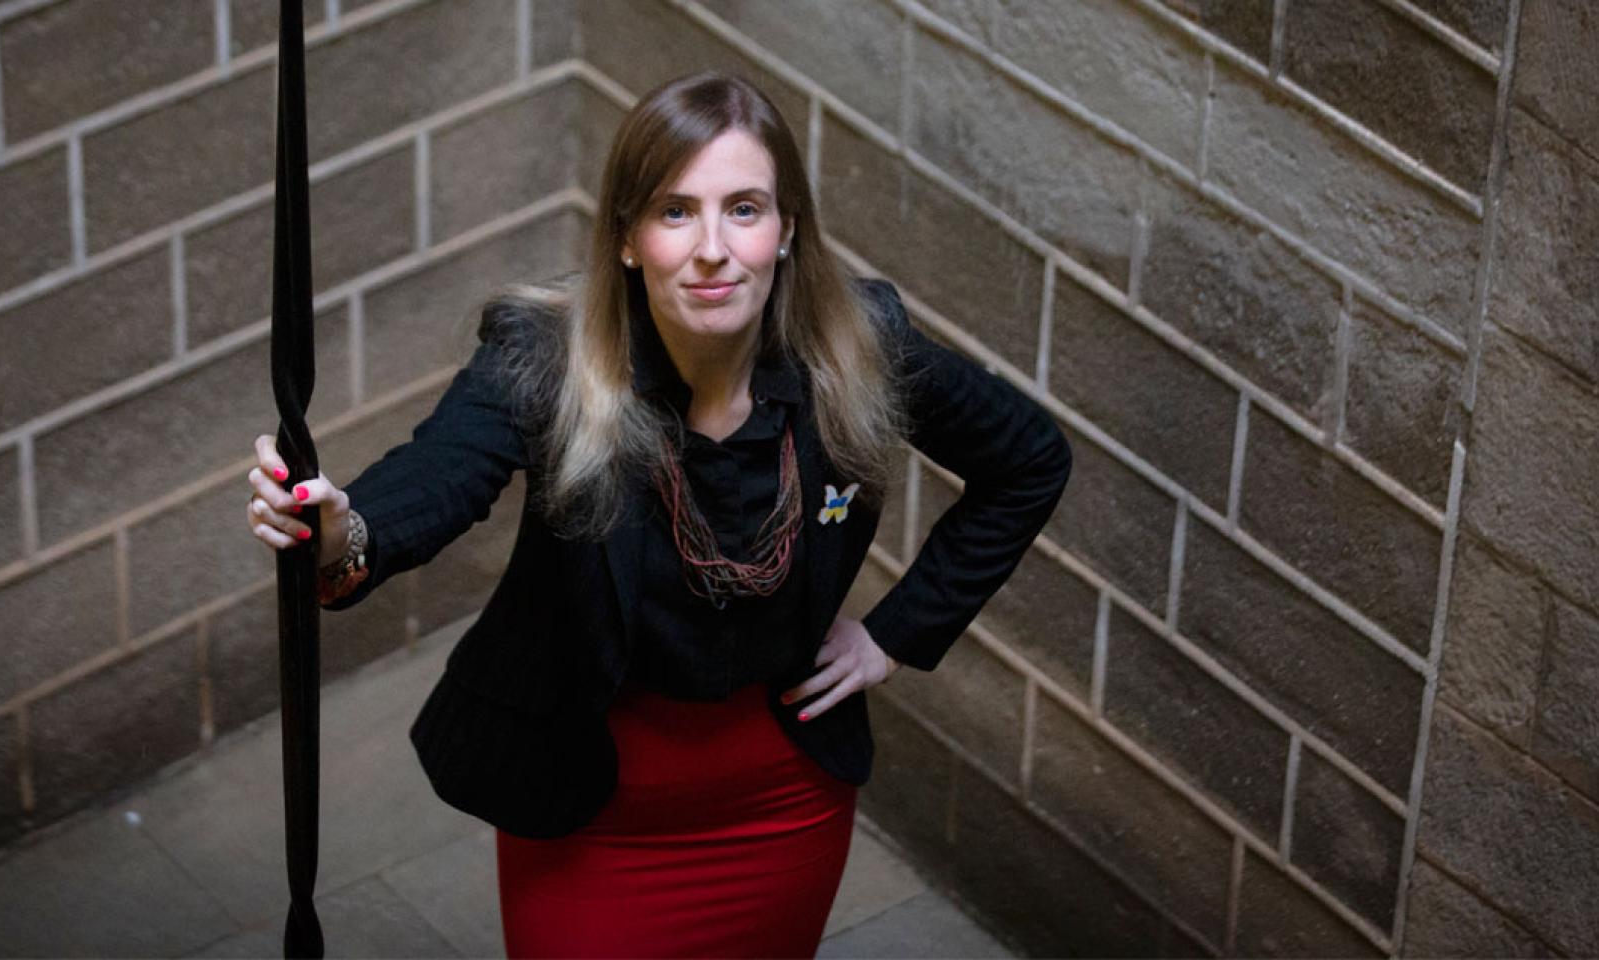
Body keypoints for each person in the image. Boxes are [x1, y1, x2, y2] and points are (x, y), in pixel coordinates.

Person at [244, 70, 1071, 958]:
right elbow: (444, 471)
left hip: (783, 803)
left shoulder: (860, 345)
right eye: (676, 212)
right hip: (589, 801)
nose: (713, 248)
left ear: (788, 229)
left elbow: (1029, 459)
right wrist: (345, 529)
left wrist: (896, 633)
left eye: (744, 209)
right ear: (629, 239)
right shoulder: (546, 357)